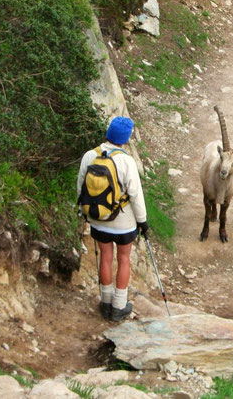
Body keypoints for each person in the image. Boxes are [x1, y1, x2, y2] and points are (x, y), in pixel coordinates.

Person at [77, 116, 148, 322]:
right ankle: (119, 306)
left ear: (107, 133)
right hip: (123, 222)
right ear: (125, 139)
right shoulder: (126, 161)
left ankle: (105, 302)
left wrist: (87, 212)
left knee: (105, 256)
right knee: (123, 258)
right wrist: (143, 221)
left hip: (99, 218)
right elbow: (135, 195)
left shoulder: (90, 155)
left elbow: (80, 185)